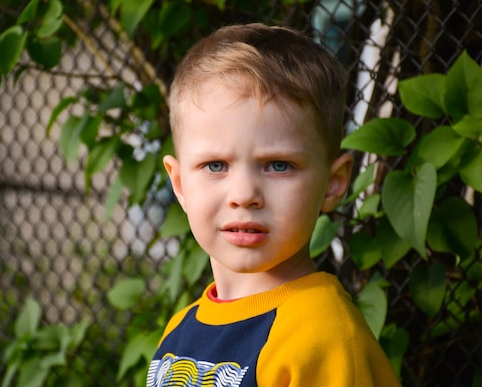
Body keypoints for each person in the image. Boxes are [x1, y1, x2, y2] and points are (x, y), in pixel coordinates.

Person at [146, 23, 401, 387]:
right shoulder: (180, 331)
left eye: (278, 165)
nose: (244, 194)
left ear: (333, 184)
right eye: (215, 165)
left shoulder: (323, 338)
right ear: (181, 185)